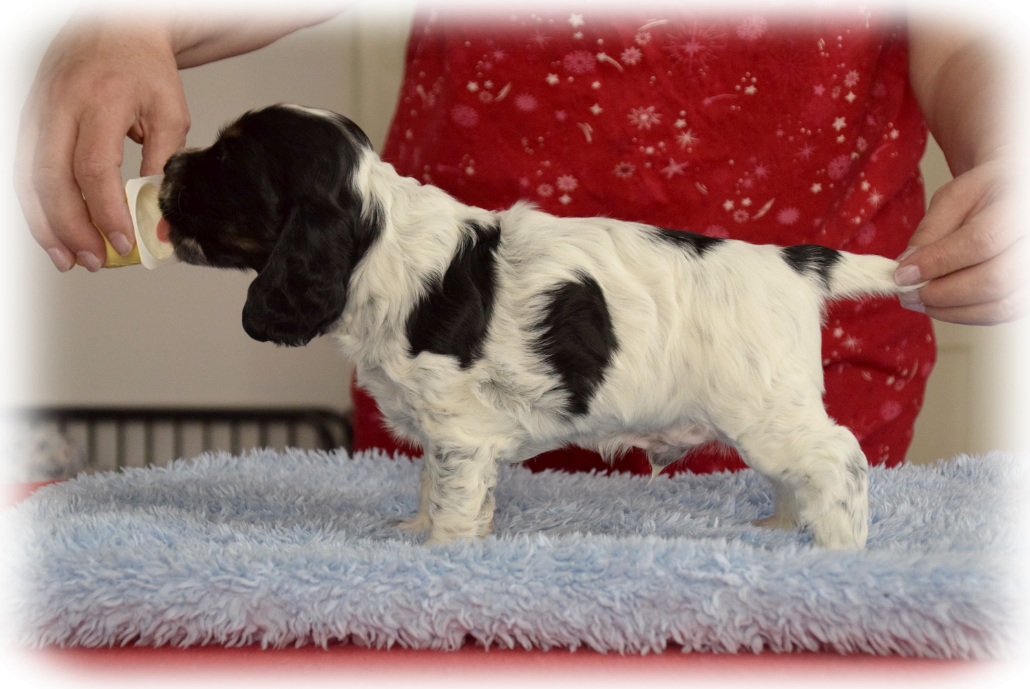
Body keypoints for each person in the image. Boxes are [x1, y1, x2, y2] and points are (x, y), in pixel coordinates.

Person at [15, 0, 1030, 476]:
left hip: (779, 321)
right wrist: (135, 15)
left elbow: (985, 25)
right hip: (457, 332)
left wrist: (1019, 144)